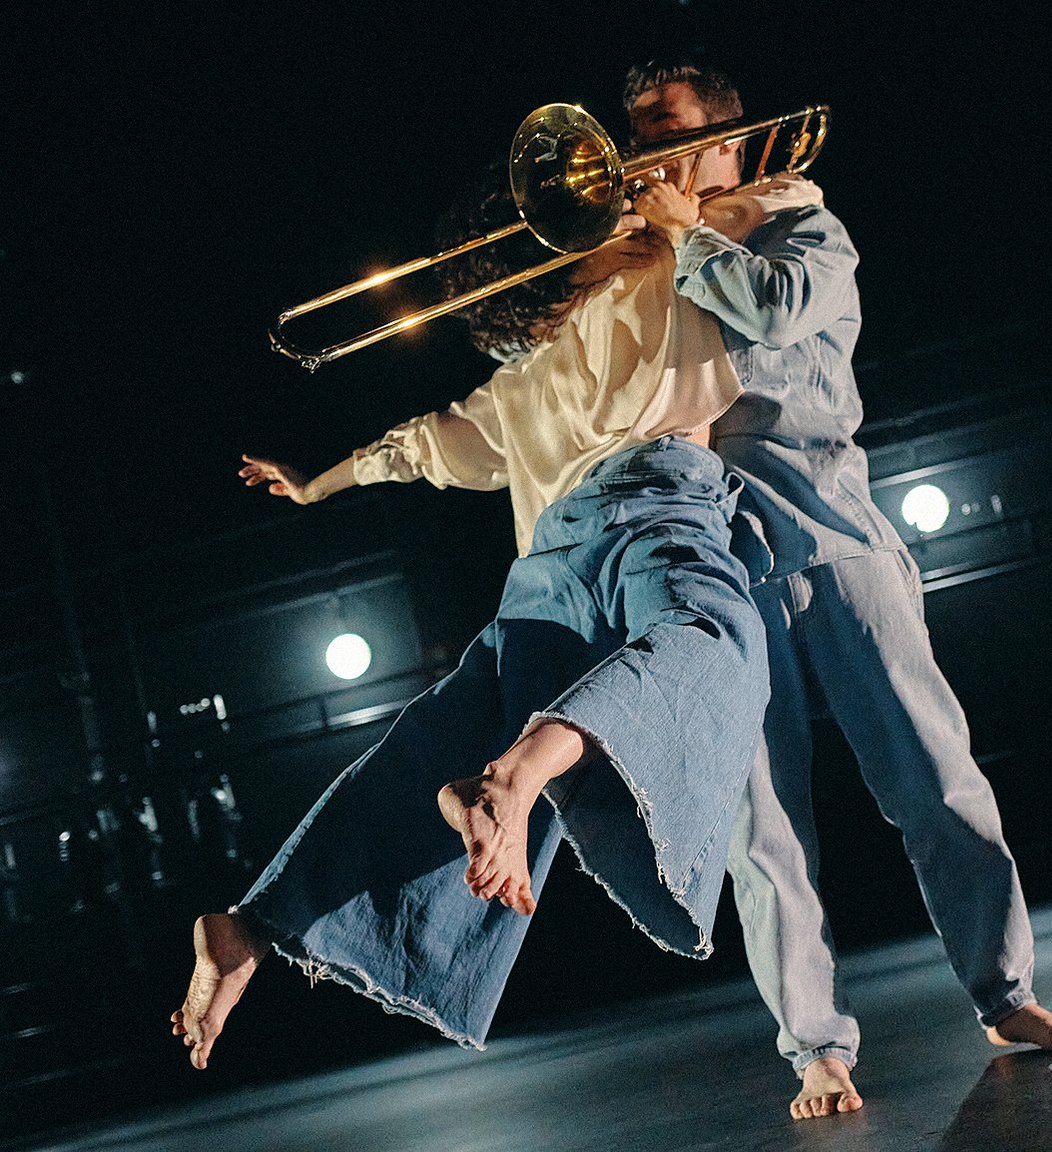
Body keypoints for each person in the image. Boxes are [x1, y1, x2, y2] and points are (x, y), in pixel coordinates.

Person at [170, 168, 772, 1070]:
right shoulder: (656, 262)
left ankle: (253, 927)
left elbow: (411, 448)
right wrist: (683, 218)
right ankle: (522, 772)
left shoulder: (510, 388)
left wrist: (313, 483)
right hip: (656, 506)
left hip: (547, 560)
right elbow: (755, 233)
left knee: (441, 736)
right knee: (711, 639)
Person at [621, 61, 1052, 1120]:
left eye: (661, 131)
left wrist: (687, 236)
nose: (635, 156)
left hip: (837, 536)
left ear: (725, 146)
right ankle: (814, 1048)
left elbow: (775, 310)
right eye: (633, 134)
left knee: (935, 781)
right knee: (761, 830)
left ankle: (1006, 992)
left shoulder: (804, 228)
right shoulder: (641, 267)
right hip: (718, 567)